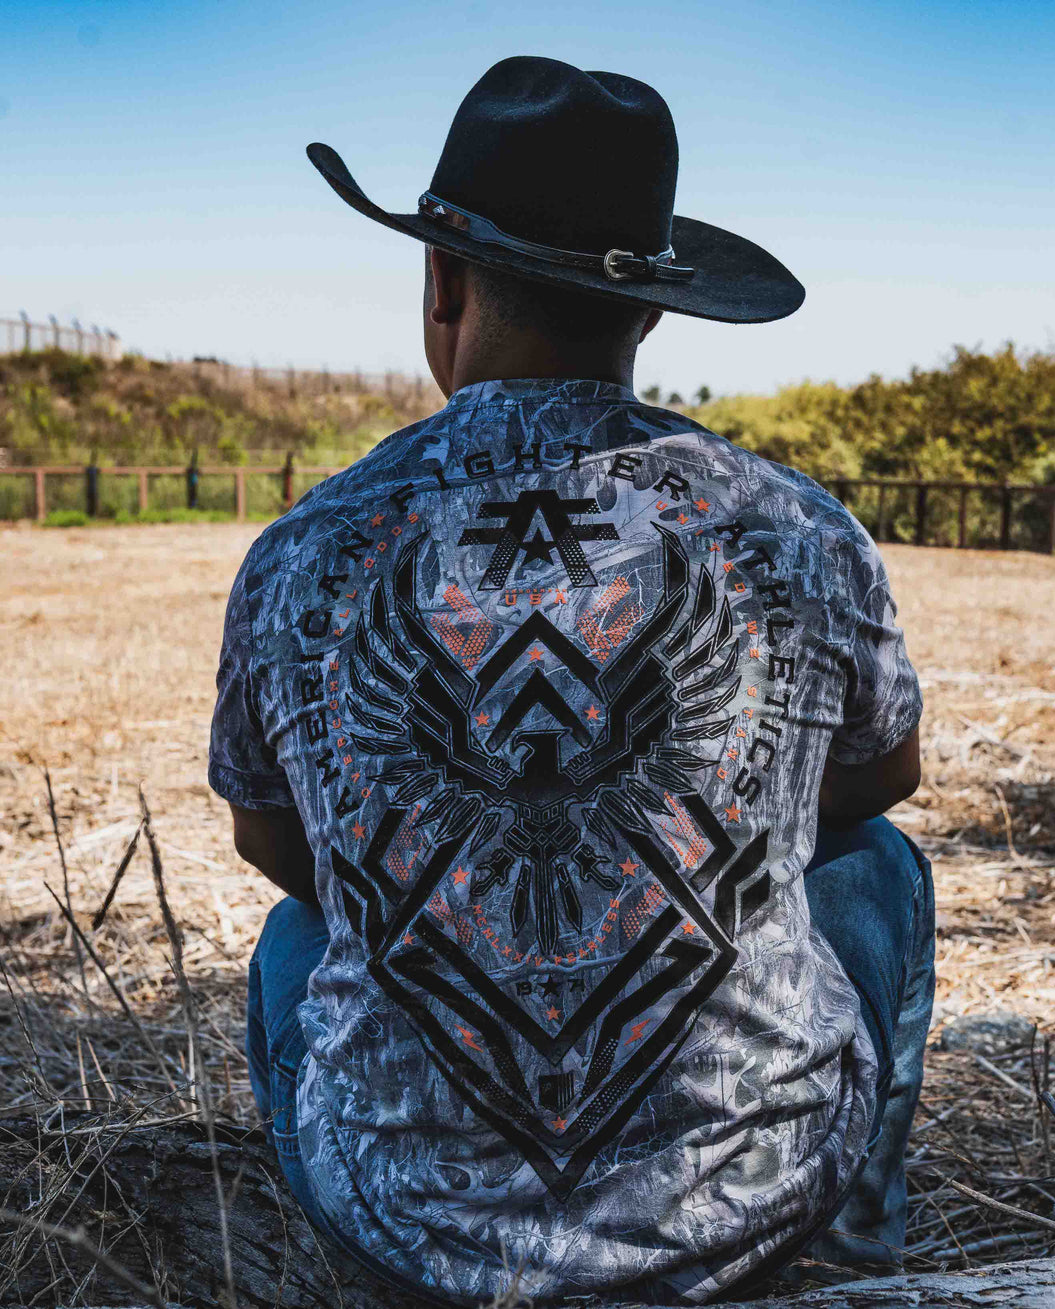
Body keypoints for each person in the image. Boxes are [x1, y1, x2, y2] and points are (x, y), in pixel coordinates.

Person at [210, 55, 935, 1306]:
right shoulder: (798, 529)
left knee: (296, 937)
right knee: (881, 871)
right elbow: (881, 777)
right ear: (653, 310)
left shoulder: (305, 550)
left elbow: (278, 840)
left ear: (441, 279)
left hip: (401, 1235)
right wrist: (686, 868)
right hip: (744, 1224)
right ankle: (852, 1242)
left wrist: (456, 891)